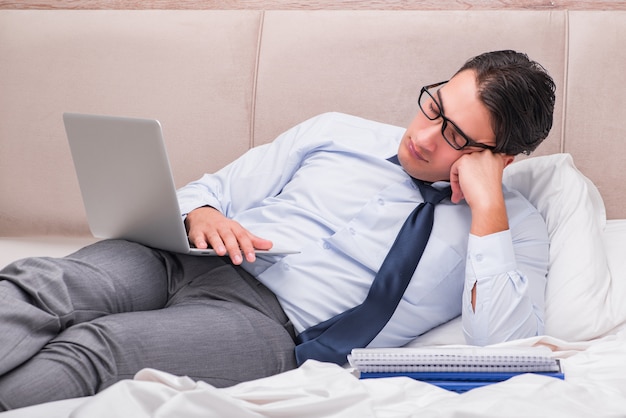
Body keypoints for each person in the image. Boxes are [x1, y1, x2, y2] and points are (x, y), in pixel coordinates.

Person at [0, 49, 555, 410]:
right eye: (434, 106)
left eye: (458, 137)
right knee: (39, 285)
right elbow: (211, 189)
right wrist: (203, 216)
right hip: (186, 253)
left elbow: (503, 346)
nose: (427, 136)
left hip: (262, 322)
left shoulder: (514, 227)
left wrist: (487, 210)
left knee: (95, 348)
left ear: (501, 157)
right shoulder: (337, 132)